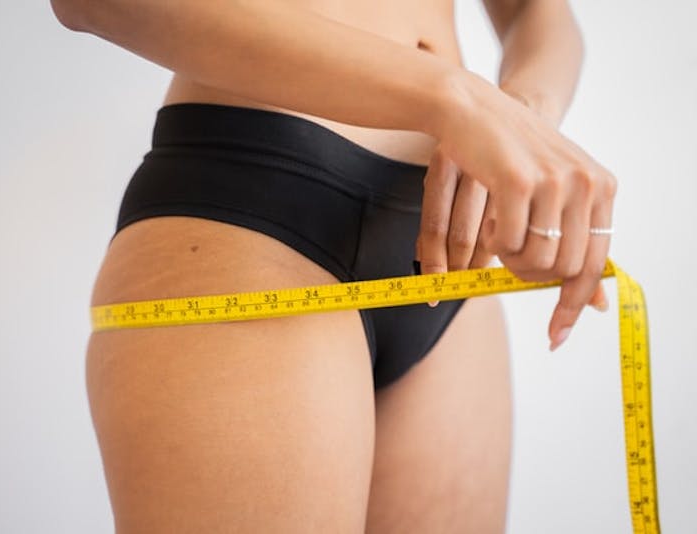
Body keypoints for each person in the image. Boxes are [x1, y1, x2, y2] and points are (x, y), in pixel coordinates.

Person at [52, 1, 614, 532]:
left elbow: (534, 10)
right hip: (253, 210)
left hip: (444, 239)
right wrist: (456, 98)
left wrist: (524, 113)